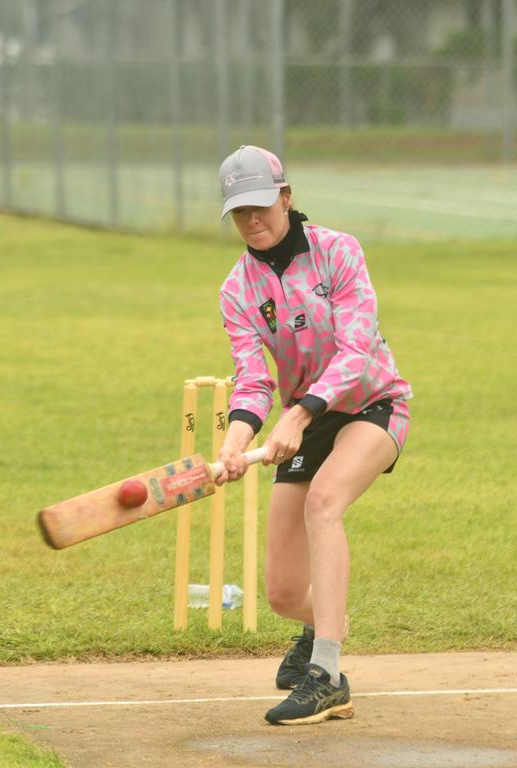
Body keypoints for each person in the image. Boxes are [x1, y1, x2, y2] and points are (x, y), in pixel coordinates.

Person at [214, 145, 411, 725]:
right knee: (279, 591)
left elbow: (356, 349)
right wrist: (233, 441)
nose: (252, 220)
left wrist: (299, 415)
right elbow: (252, 381)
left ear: (286, 196)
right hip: (307, 416)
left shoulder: (338, 252)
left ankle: (326, 675)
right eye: (238, 212)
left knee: (324, 504)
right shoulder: (237, 289)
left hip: (373, 403)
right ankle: (323, 625)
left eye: (260, 205)